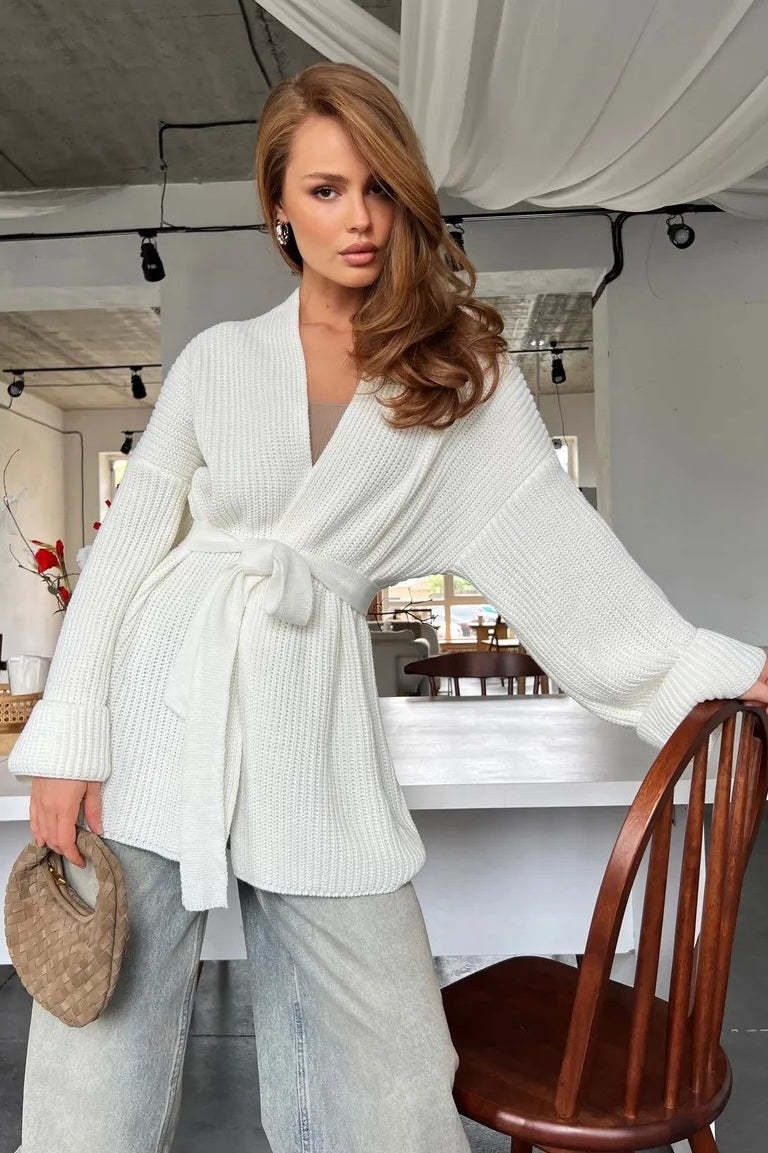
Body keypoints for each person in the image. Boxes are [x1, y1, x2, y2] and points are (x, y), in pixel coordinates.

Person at [8, 61, 768, 1153]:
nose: (358, 219)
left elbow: (558, 549)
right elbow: (128, 550)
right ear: (279, 208)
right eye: (325, 190)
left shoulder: (458, 378)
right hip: (156, 703)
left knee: (397, 1061)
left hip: (310, 720)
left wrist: (709, 666)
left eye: (378, 188)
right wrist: (70, 736)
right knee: (98, 1038)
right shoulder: (220, 362)